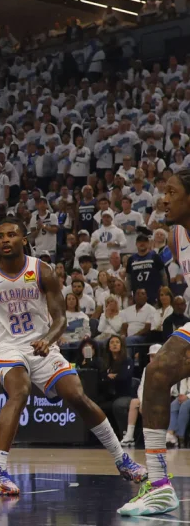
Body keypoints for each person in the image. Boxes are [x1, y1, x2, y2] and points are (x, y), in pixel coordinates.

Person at [0, 217, 145, 497]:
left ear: (23, 239)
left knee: (77, 395)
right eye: (0, 236)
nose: (5, 240)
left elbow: (60, 319)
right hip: (6, 347)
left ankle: (122, 459)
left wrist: (49, 340)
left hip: (42, 345)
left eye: (11, 234)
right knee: (20, 391)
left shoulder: (42, 271)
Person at [119, 169, 190, 515]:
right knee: (158, 372)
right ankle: (160, 485)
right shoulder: (176, 236)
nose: (164, 199)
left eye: (172, 192)